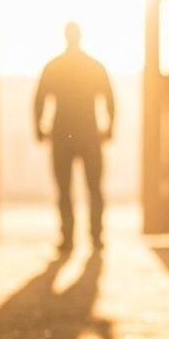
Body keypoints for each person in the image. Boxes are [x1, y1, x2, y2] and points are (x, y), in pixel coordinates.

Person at [33, 22, 115, 252]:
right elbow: (109, 98)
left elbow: (39, 99)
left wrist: (39, 128)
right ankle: (96, 237)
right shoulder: (93, 66)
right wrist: (110, 127)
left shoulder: (54, 66)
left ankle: (68, 238)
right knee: (94, 187)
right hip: (89, 134)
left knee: (65, 188)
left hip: (62, 135)